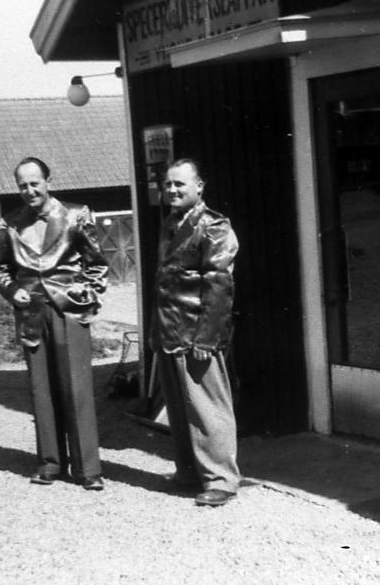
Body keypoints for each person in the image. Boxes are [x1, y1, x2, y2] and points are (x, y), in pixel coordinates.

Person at [0, 157, 108, 491]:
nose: (29, 191)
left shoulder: (76, 215)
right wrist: (13, 290)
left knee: (77, 389)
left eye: (35, 183)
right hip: (31, 314)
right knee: (41, 390)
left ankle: (88, 469)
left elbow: (97, 266)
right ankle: (50, 463)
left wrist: (83, 294)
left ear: (48, 181)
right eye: (22, 185)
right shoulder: (10, 224)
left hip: (68, 312)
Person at [150, 158, 241, 507]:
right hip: (171, 331)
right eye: (168, 184)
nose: (172, 190)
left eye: (180, 184)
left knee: (208, 410)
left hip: (196, 333)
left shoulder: (213, 226)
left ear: (199, 186)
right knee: (180, 409)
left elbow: (219, 286)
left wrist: (207, 337)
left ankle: (221, 479)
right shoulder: (171, 223)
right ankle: (190, 472)